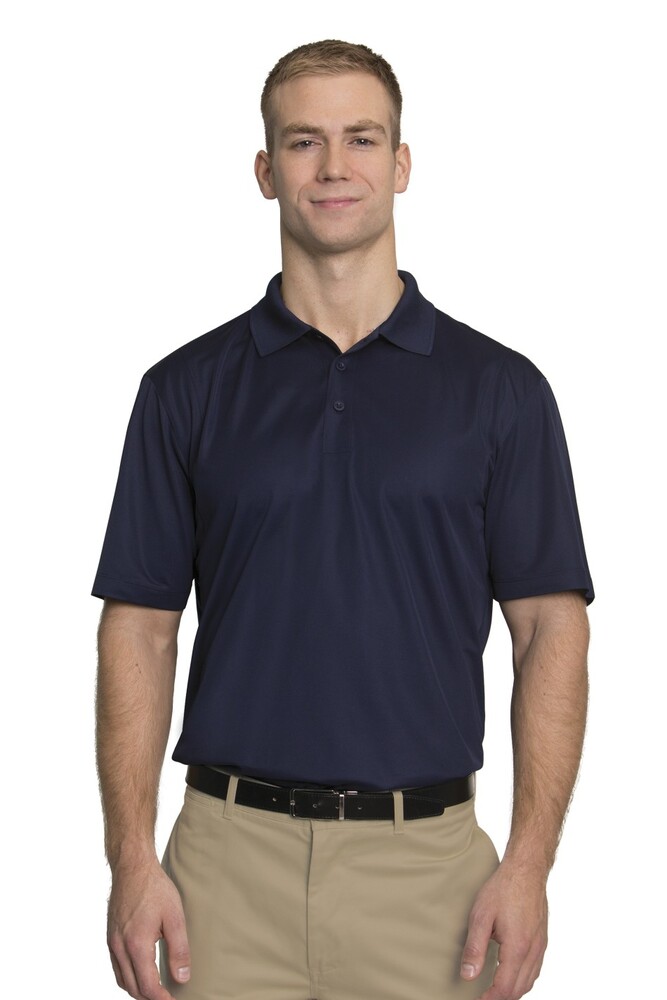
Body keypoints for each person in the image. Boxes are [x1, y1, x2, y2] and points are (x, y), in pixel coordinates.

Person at [94, 39, 593, 1000]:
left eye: (361, 139)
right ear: (264, 170)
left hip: (432, 879)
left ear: (400, 165)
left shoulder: (501, 392)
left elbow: (549, 630)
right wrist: (131, 859)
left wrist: (529, 865)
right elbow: (140, 630)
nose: (333, 166)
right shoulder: (182, 390)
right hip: (221, 875)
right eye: (303, 141)